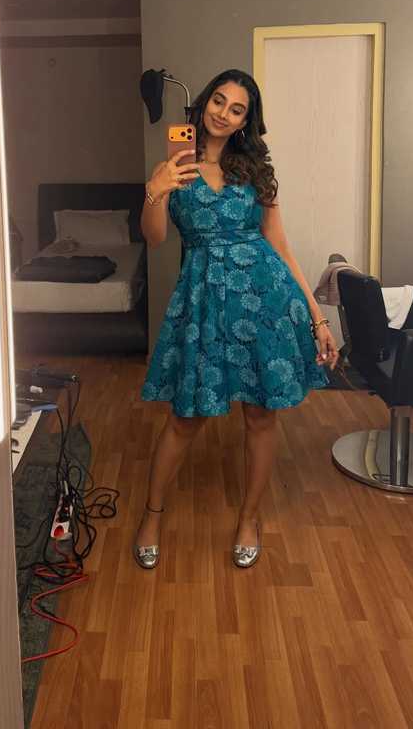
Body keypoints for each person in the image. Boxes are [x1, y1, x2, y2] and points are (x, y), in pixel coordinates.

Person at [134, 69, 339, 570]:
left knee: (260, 416)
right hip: (204, 300)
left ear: (246, 120)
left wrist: (317, 318)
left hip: (264, 300)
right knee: (186, 417)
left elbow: (279, 245)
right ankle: (152, 516)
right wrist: (155, 190)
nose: (223, 113)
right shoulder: (175, 166)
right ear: (204, 102)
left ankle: (249, 518)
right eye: (218, 101)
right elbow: (155, 239)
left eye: (236, 109)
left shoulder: (255, 172)